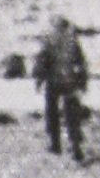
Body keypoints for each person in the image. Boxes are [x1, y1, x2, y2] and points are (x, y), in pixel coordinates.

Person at [32, 15, 90, 161]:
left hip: (53, 81)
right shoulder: (73, 41)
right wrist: (83, 83)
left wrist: (38, 80)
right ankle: (75, 145)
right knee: (72, 115)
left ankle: (55, 144)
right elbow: (81, 63)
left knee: (52, 112)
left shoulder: (48, 39)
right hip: (70, 81)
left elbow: (41, 60)